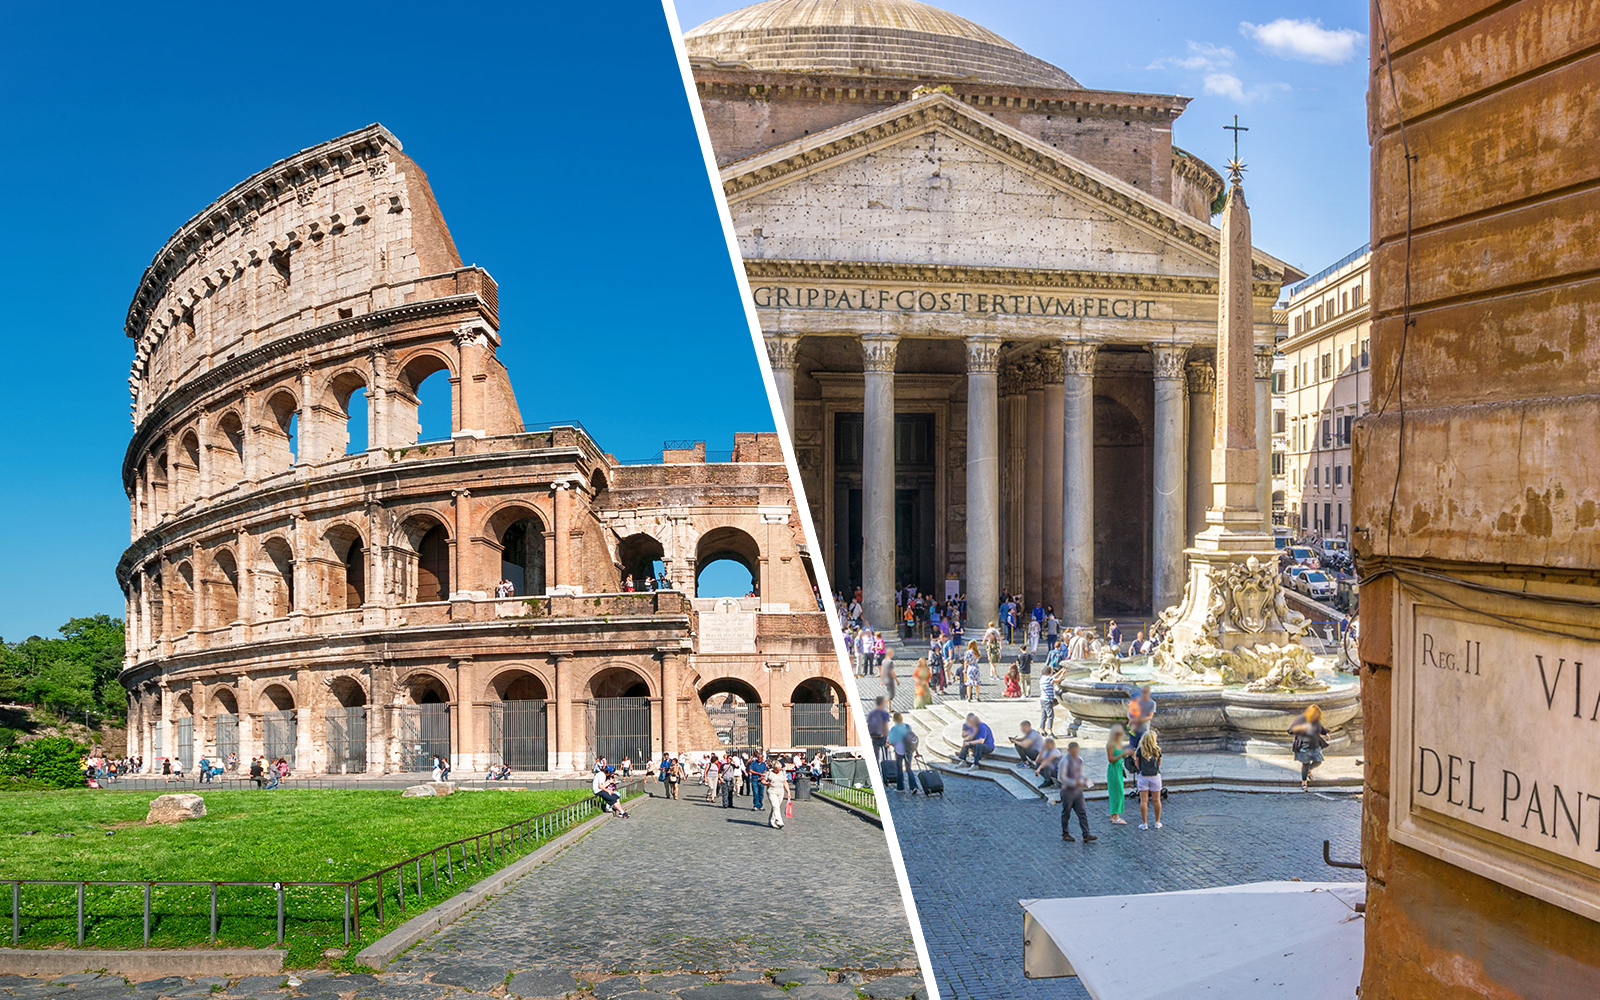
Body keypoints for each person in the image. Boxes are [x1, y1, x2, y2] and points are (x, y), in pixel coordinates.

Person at [1060, 742, 1097, 842]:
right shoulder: (1064, 762)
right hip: (1067, 792)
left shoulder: (1079, 760)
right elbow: (1061, 778)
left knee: (1082, 812)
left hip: (1078, 792)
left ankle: (1086, 834)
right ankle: (1065, 833)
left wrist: (1086, 781)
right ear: (1069, 751)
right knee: (1066, 813)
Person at [1290, 705, 1330, 791]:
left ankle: (1309, 770)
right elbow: (1291, 730)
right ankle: (1304, 783)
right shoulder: (1301, 719)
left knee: (1318, 761)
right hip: (1304, 746)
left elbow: (1320, 727)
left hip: (1315, 745)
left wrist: (1325, 733)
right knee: (1306, 764)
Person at [1134, 731, 1164, 830]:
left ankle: (1144, 823)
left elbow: (1137, 764)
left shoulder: (1140, 750)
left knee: (1143, 801)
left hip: (1143, 776)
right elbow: (1159, 764)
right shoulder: (1157, 750)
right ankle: (1157, 822)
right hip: (1155, 776)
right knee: (1156, 800)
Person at [1105, 725, 1133, 825]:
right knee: (1116, 793)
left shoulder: (1118, 744)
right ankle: (1115, 816)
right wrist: (1122, 754)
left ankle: (1114, 815)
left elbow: (1121, 755)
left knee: (1119, 792)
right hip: (1114, 769)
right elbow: (1111, 759)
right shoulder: (1111, 744)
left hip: (1119, 768)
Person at [886, 712, 913, 791]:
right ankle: (913, 786)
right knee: (909, 769)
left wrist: (889, 744)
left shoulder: (894, 729)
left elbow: (890, 741)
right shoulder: (908, 727)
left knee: (899, 769)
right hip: (908, 750)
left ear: (894, 719)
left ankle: (900, 788)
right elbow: (912, 738)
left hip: (899, 750)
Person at [766, 757, 791, 829]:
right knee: (775, 806)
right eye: (777, 769)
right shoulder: (769, 773)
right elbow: (763, 781)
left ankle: (771, 821)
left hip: (780, 792)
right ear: (774, 768)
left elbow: (785, 782)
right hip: (772, 791)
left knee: (776, 807)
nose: (779, 770)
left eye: (780, 769)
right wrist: (767, 783)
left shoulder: (782, 773)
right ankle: (779, 821)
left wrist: (788, 792)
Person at [867, 696, 892, 762]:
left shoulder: (871, 713)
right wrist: (887, 738)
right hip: (882, 736)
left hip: (874, 736)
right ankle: (885, 768)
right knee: (885, 756)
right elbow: (886, 727)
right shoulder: (884, 713)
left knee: (876, 756)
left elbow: (868, 725)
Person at [1039, 665, 1058, 736]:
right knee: (1050, 716)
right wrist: (1062, 674)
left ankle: (1042, 729)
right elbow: (1057, 680)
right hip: (1048, 700)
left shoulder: (1043, 678)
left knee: (1044, 715)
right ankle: (1049, 730)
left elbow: (1052, 677)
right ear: (1050, 672)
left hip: (1042, 699)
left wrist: (1060, 672)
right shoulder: (1049, 679)